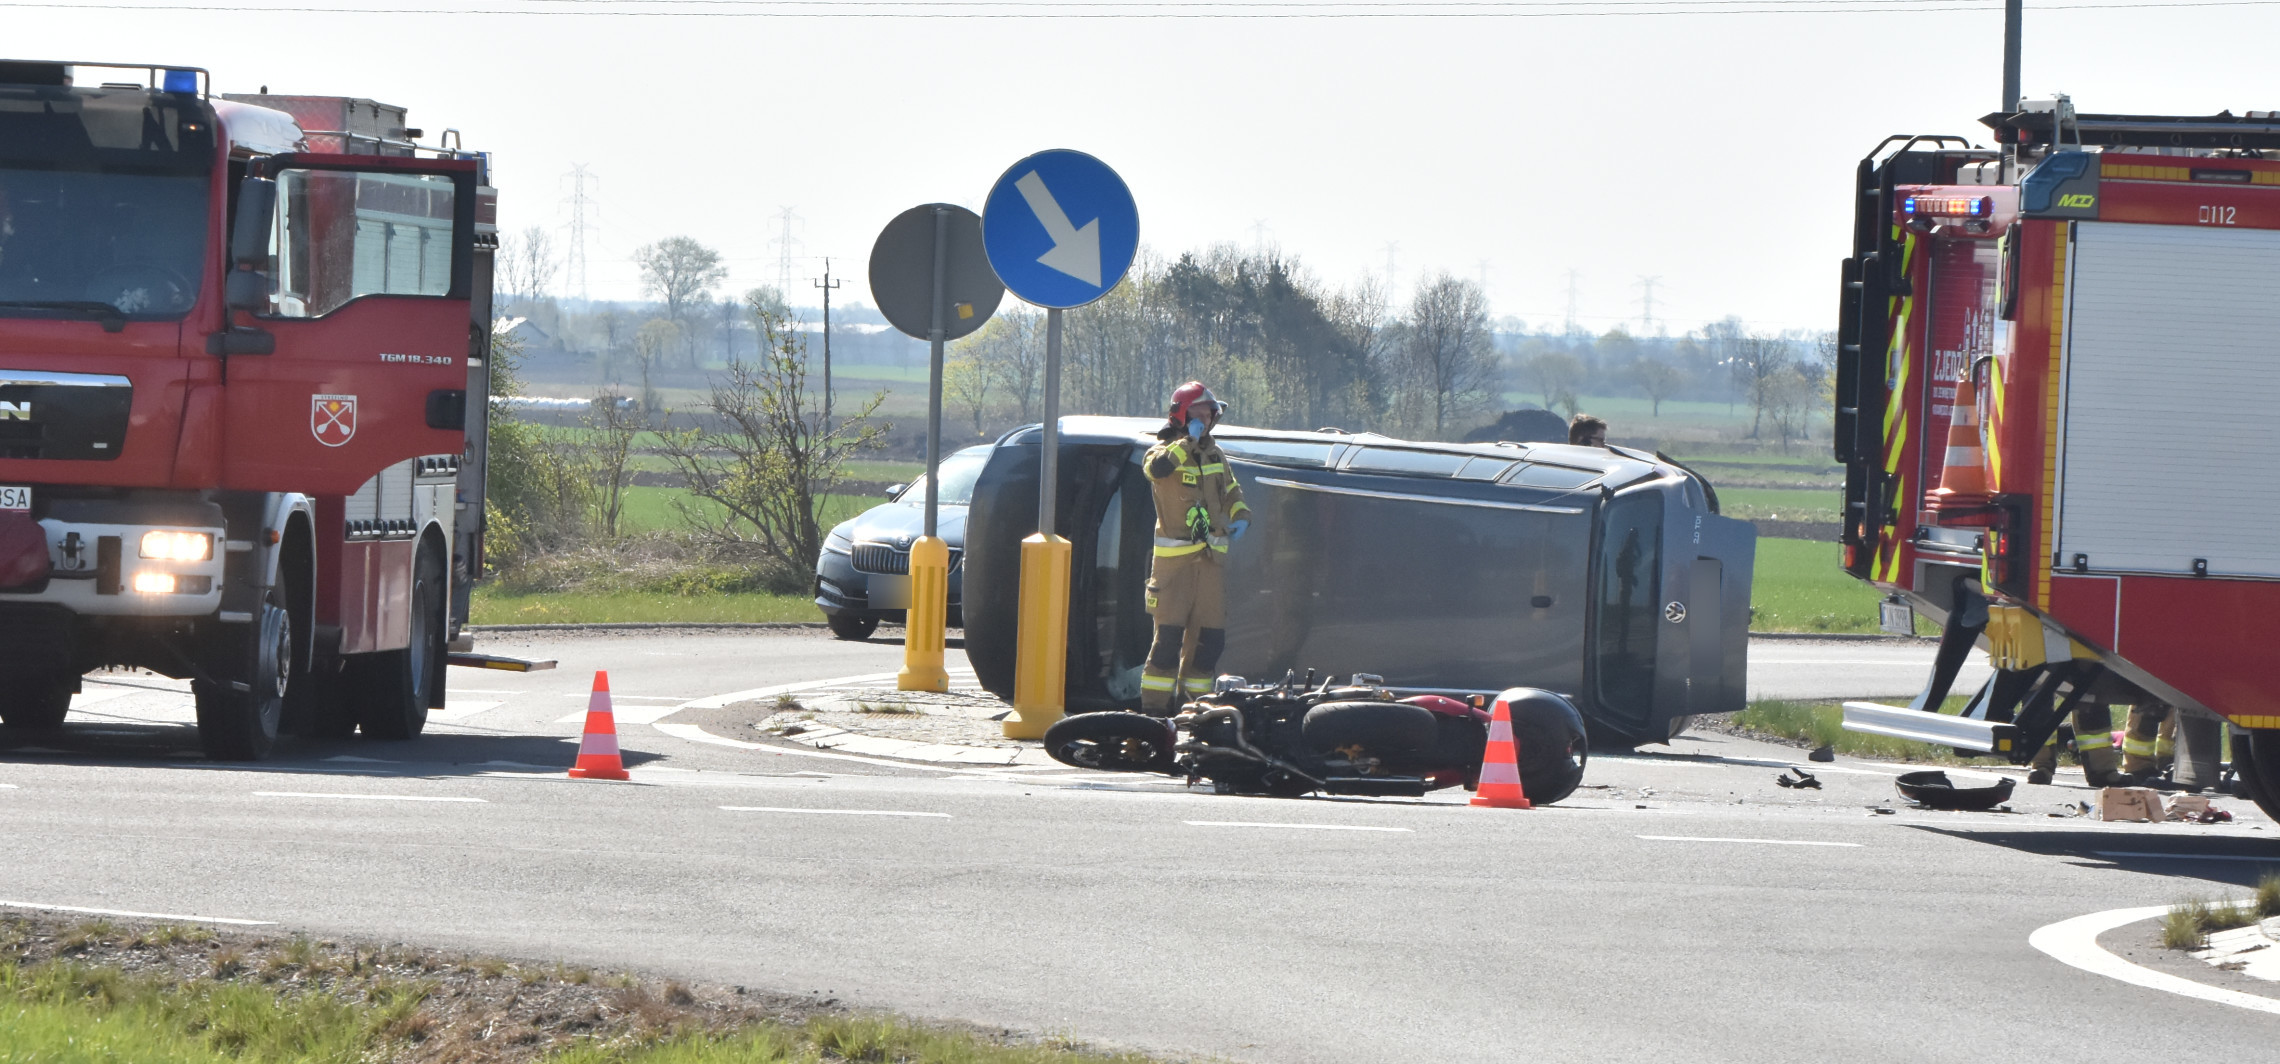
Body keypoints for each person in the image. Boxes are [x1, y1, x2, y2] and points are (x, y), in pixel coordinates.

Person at [1139, 382, 1249, 714]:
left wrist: (1241, 515)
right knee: (1167, 644)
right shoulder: (1163, 451)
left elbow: (1231, 490)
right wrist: (1188, 440)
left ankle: (1194, 710)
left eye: (1210, 414)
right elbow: (1157, 470)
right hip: (1174, 570)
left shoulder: (1215, 454)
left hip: (1210, 565)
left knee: (1209, 643)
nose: (1207, 419)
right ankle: (1155, 714)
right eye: (1199, 413)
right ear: (1181, 415)